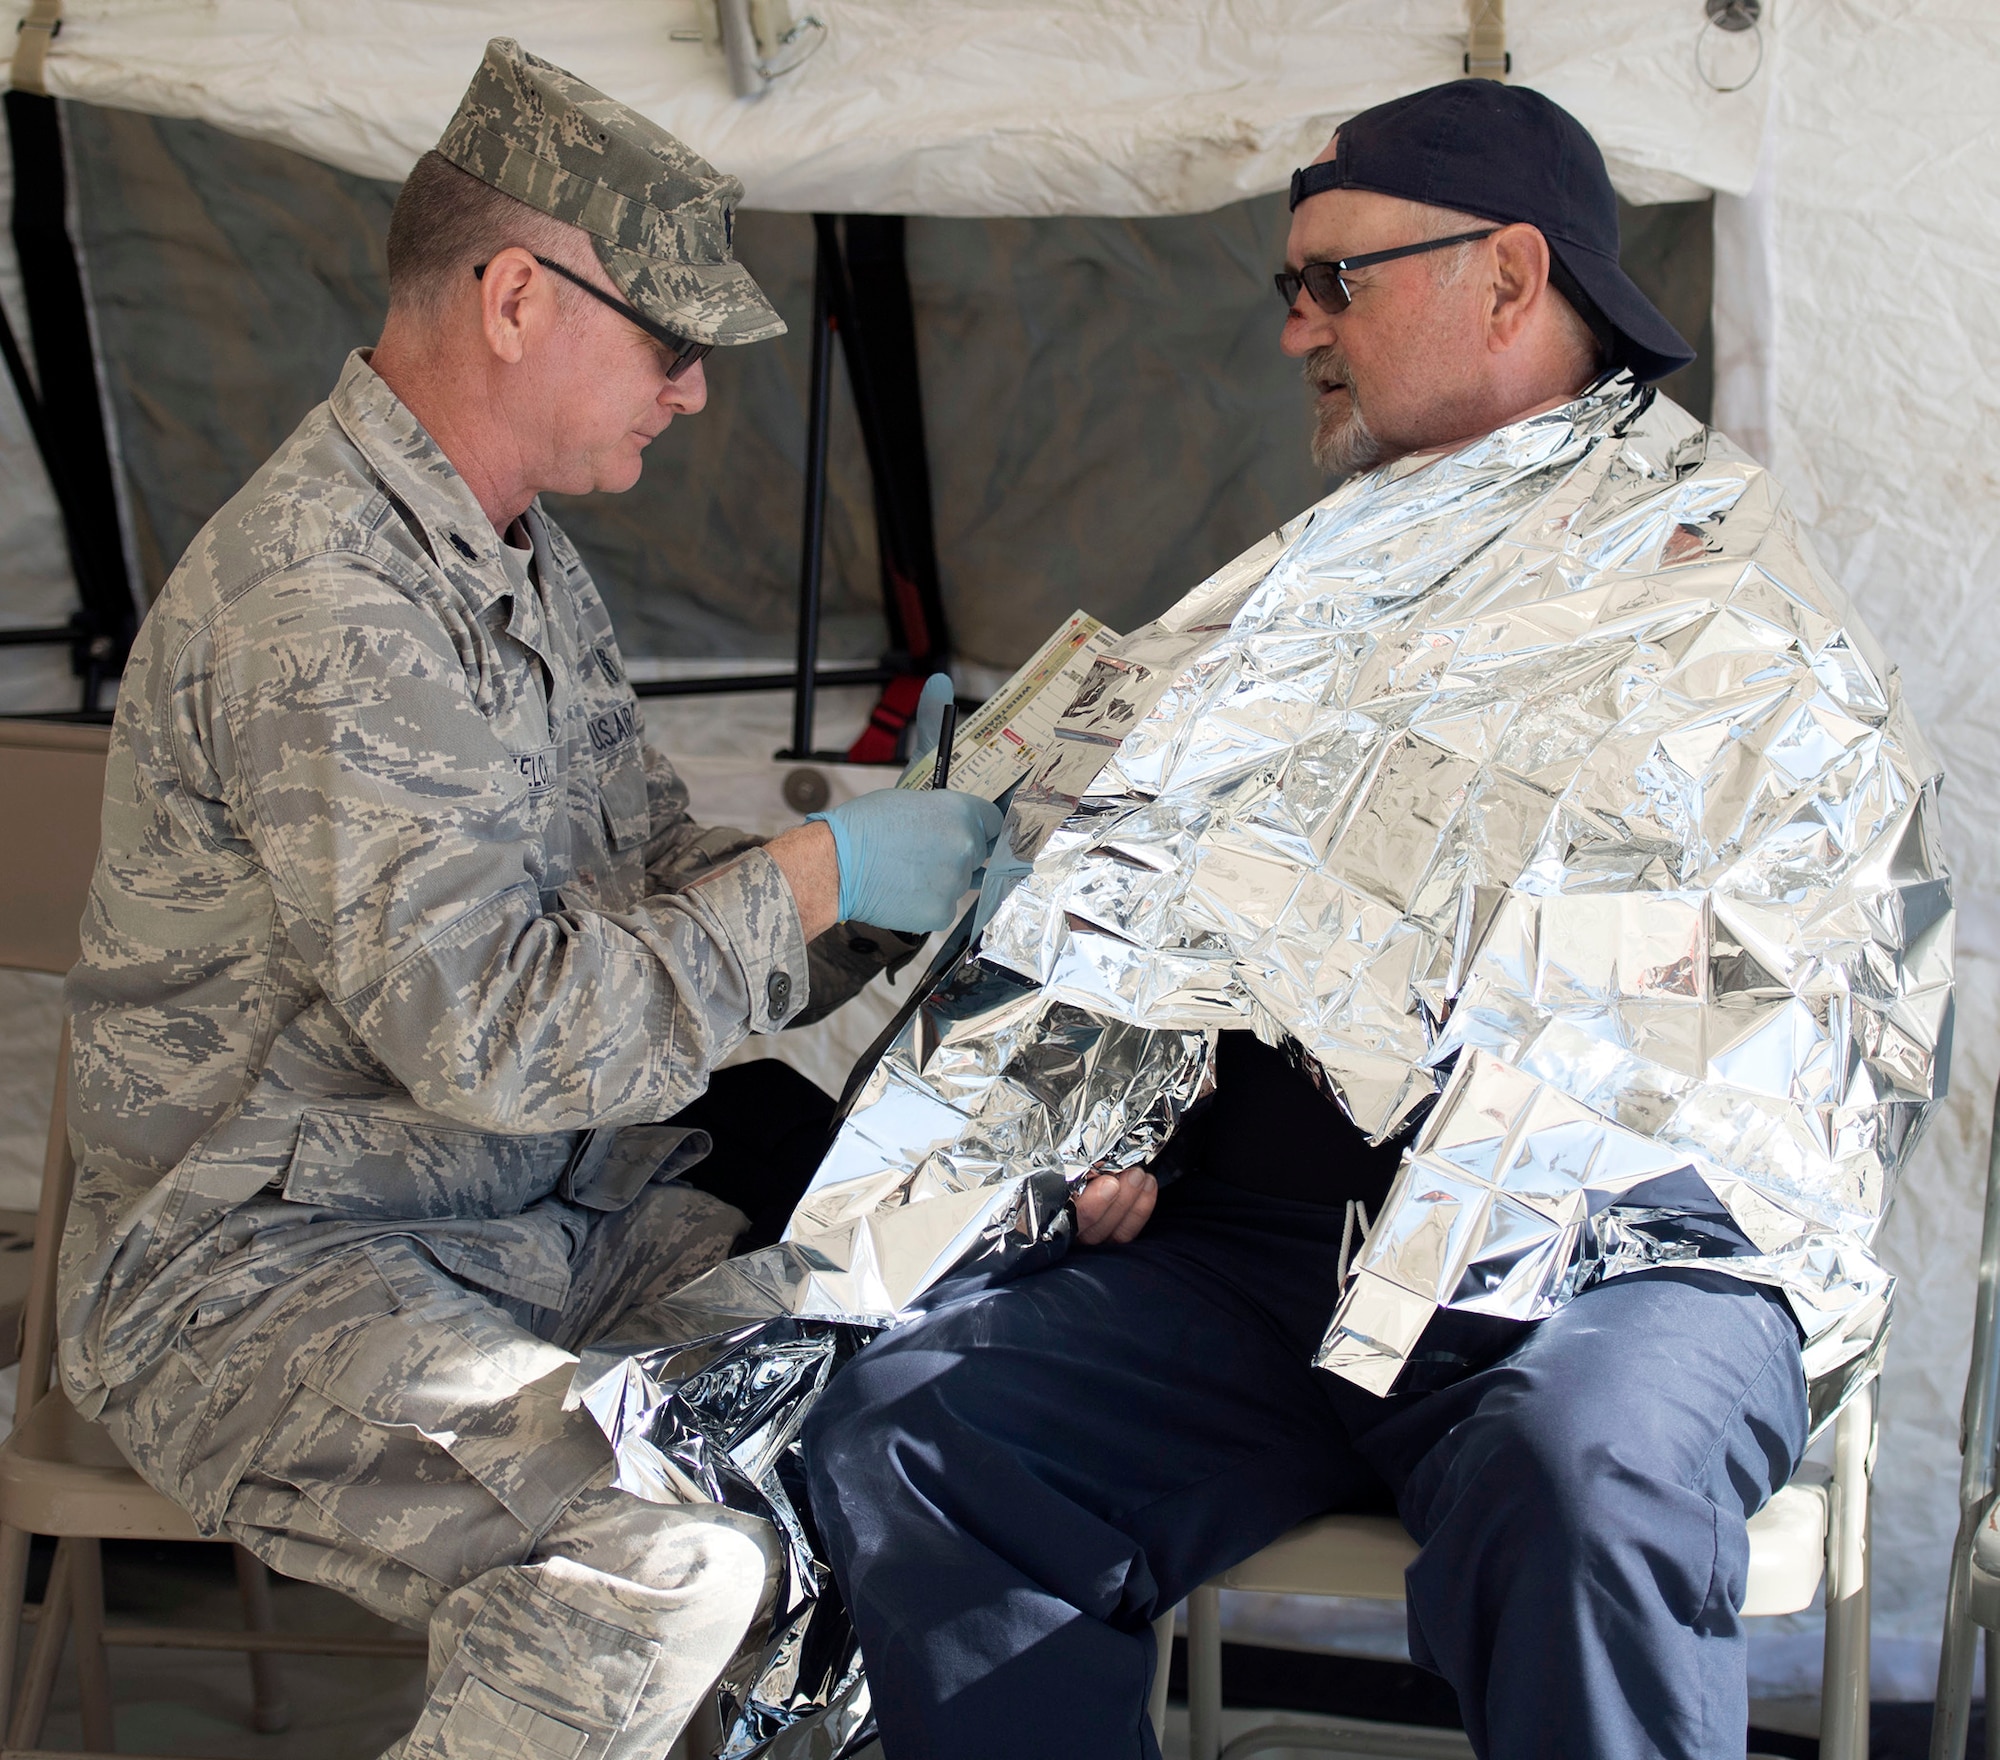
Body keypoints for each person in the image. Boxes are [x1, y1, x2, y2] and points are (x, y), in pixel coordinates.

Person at [802, 82, 1871, 1760]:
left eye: (1336, 281)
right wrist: (1124, 1115)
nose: (1296, 326)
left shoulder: (1720, 596)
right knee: (912, 1427)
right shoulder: (1313, 586)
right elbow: (1184, 923)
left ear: (1512, 278)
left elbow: (1774, 985)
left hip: (1609, 1266)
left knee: (1591, 1486)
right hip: (1272, 1267)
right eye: (1284, 286)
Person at [59, 37, 1000, 1759]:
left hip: (517, 1217)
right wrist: (816, 870)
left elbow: (632, 893)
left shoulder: (510, 554)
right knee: (653, 1561)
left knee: (888, 1426)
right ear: (514, 298)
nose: (696, 389)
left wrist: (873, 884)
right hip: (272, 1274)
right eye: (671, 343)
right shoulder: (325, 597)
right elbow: (496, 1033)